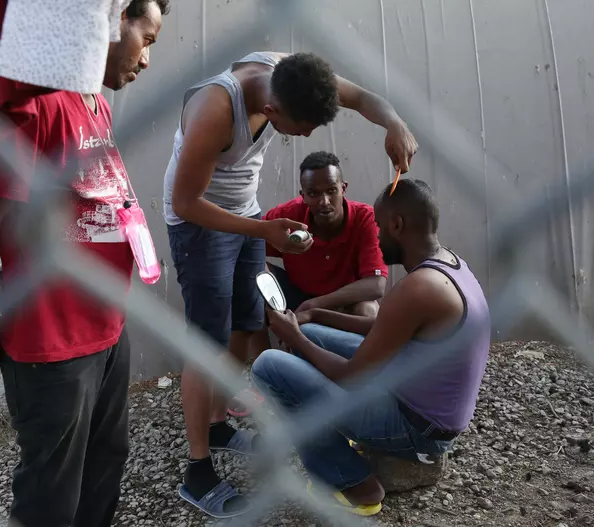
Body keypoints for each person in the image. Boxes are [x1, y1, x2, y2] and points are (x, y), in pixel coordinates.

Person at [162, 50, 418, 518]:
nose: (304, 137)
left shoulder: (292, 73)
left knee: (244, 325)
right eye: (301, 128)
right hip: (200, 225)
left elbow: (361, 96)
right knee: (206, 343)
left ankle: (219, 426)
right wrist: (264, 231)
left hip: (245, 213)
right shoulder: (215, 107)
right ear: (273, 110)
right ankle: (197, 471)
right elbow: (185, 202)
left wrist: (394, 122)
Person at [0, 1, 169, 526]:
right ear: (113, 17)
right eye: (150, 38)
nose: (147, 61)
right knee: (52, 492)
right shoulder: (39, 104)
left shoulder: (97, 103)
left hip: (107, 327)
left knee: (105, 465)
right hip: (50, 341)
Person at [252, 179, 491, 516]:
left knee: (269, 366)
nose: (376, 236)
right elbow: (384, 327)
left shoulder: (420, 287)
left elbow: (352, 377)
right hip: (412, 396)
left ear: (397, 225)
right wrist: (315, 315)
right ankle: (346, 432)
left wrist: (294, 338)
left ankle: (353, 481)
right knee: (317, 332)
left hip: (417, 431)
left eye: (380, 227)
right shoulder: (447, 264)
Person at [263, 150, 388, 336]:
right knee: (252, 271)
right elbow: (246, 247)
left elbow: (376, 285)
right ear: (303, 195)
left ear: (343, 189)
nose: (324, 201)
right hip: (296, 297)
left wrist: (314, 307)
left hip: (343, 304)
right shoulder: (287, 216)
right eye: (313, 193)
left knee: (368, 311)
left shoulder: (365, 218)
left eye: (331, 191)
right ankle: (258, 358)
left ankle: (358, 363)